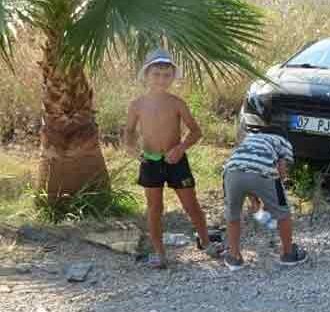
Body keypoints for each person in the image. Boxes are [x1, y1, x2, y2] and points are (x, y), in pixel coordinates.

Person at [125, 48, 222, 269]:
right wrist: (130, 147)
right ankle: (160, 254)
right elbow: (129, 131)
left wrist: (180, 147)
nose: (161, 79)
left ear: (172, 77)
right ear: (146, 75)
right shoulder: (137, 105)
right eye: (156, 74)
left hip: (176, 160)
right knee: (154, 208)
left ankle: (206, 243)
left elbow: (196, 131)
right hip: (150, 160)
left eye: (166, 75)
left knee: (191, 205)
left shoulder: (177, 103)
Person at [221, 126, 307, 271]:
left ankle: (234, 256)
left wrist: (254, 197)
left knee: (233, 215)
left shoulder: (249, 138)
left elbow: (245, 164)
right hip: (264, 171)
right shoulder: (283, 141)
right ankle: (288, 253)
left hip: (231, 171)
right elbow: (281, 170)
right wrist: (272, 199)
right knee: (283, 213)